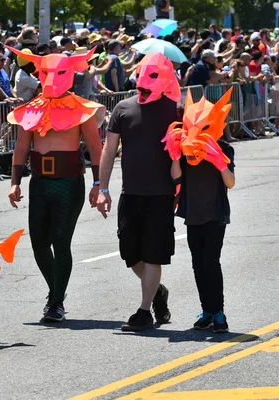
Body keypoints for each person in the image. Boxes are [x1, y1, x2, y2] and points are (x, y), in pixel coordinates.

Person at [7, 47, 105, 322]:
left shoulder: (80, 108)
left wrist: (99, 185)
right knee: (39, 243)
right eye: (47, 72)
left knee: (61, 242)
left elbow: (95, 149)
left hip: (69, 182)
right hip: (39, 182)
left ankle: (56, 302)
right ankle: (55, 290)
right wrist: (15, 183)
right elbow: (21, 147)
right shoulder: (32, 109)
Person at [96, 53, 181, 332]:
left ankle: (144, 312)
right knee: (130, 254)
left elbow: (184, 152)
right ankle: (157, 292)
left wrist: (183, 189)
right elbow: (109, 150)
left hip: (161, 195)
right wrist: (102, 187)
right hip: (130, 193)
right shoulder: (122, 108)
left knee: (154, 255)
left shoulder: (175, 110)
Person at [169, 109, 235, 334]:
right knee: (198, 265)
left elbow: (230, 182)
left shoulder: (224, 148)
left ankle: (219, 313)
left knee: (211, 263)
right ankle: (206, 311)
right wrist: (175, 155)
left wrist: (220, 162)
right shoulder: (186, 150)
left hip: (215, 216)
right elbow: (176, 176)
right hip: (193, 216)